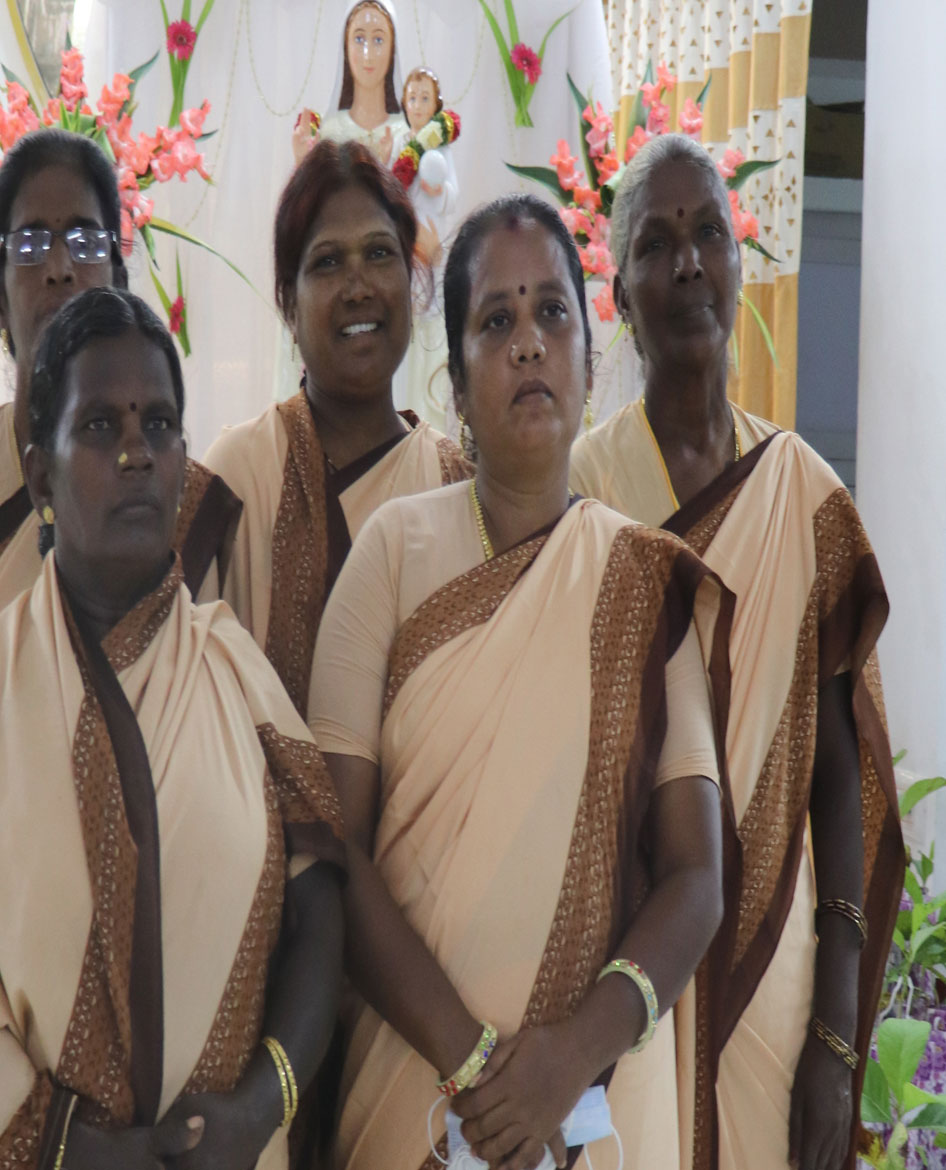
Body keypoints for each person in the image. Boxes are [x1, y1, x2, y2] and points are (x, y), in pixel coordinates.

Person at [0, 286, 346, 1170]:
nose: (135, 452)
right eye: (97, 426)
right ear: (40, 476)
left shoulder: (239, 676)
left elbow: (321, 909)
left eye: (160, 424)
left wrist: (260, 1105)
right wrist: (74, 1151)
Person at [308, 193, 730, 1170]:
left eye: (552, 314)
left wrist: (569, 1060)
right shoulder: (393, 552)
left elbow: (697, 876)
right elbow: (331, 847)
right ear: (456, 382)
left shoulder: (645, 580)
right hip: (414, 1097)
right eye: (496, 321)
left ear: (590, 356)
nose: (529, 342)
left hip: (594, 1105)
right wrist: (476, 1067)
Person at [569, 134, 903, 1170]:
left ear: (740, 262)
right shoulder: (581, 489)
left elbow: (841, 776)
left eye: (708, 233)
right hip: (622, 968)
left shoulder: (801, 491)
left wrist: (837, 1033)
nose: (687, 264)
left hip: (778, 979)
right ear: (620, 295)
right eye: (655, 245)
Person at [0, 129, 240, 885]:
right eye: (31, 243)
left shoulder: (178, 493)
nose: (61, 266)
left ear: (119, 277)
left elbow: (217, 752)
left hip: (152, 891)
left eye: (85, 239)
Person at [203, 138, 469, 719]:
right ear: (289, 303)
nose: (358, 287)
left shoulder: (458, 486)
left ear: (412, 280)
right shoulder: (234, 475)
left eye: (379, 254)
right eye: (327, 262)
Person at [391, 66, 459, 431]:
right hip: (406, 244)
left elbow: (453, 196)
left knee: (431, 319)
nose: (417, 105)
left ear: (435, 106)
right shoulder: (399, 144)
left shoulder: (439, 148)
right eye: (412, 98)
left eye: (424, 98)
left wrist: (439, 190)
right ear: (404, 102)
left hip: (432, 242)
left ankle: (429, 411)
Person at [292, 1, 408, 167]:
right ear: (346, 47)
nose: (368, 54)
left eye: (378, 40)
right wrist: (302, 162)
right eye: (359, 39)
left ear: (392, 49)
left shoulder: (406, 135)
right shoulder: (330, 133)